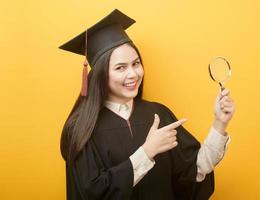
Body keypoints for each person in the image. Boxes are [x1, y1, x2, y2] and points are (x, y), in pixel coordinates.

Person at [59, 9, 235, 200]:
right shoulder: (81, 129)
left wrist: (220, 123)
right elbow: (91, 194)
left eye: (136, 63)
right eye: (121, 67)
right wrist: (147, 152)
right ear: (101, 74)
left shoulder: (158, 114)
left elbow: (194, 173)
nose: (133, 74)